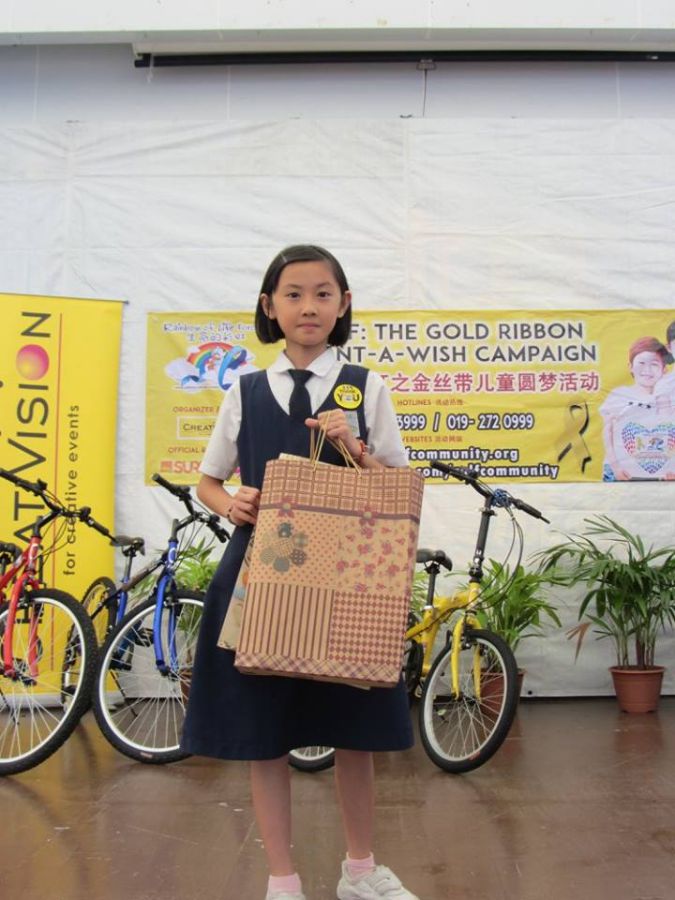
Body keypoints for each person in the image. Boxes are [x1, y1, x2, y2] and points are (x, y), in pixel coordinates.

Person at [181, 245, 420, 900]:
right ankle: (281, 879)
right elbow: (208, 481)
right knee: (265, 734)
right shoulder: (245, 390)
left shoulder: (366, 387)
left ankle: (360, 870)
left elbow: (395, 485)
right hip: (262, 578)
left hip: (349, 583)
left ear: (343, 305)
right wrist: (230, 503)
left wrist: (355, 448)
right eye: (292, 294)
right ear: (270, 306)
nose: (307, 306)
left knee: (354, 730)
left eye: (322, 293)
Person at [599, 335, 675, 480]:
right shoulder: (619, 395)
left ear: (664, 369)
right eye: (641, 363)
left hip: (662, 475)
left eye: (654, 364)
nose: (647, 370)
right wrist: (615, 467)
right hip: (621, 473)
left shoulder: (670, 398)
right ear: (630, 367)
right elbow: (607, 433)